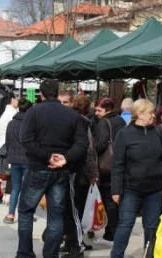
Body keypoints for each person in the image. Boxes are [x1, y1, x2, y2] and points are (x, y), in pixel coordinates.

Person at [17, 79, 88, 258]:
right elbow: (82, 143)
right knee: (56, 215)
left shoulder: (33, 111)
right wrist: (65, 157)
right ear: (57, 93)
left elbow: (25, 140)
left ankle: (25, 252)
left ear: (40, 94)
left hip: (38, 167)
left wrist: (47, 156)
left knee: (26, 211)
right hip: (61, 170)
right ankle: (51, 254)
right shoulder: (72, 115)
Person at [110, 99, 162, 258]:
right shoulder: (124, 134)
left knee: (151, 227)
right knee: (125, 224)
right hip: (131, 189)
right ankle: (116, 255)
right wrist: (116, 190)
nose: (153, 115)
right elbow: (118, 164)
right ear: (140, 114)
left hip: (155, 189)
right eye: (150, 112)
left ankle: (148, 255)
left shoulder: (158, 132)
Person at [61, 94, 99, 257]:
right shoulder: (74, 120)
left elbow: (89, 151)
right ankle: (71, 242)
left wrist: (92, 174)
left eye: (66, 102)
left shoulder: (81, 122)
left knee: (75, 210)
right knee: (70, 210)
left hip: (79, 174)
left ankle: (77, 245)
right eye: (61, 102)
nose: (63, 105)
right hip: (72, 172)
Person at [93, 97, 126, 246]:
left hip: (106, 166)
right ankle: (115, 230)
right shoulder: (121, 120)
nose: (96, 113)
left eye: (99, 110)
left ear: (107, 109)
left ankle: (111, 233)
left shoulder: (102, 123)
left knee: (108, 199)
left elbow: (99, 145)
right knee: (116, 197)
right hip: (120, 163)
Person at [3, 99, 32, 224]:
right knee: (26, 188)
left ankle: (10, 214)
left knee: (15, 187)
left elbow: (8, 142)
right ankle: (24, 213)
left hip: (14, 159)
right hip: (27, 159)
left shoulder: (11, 123)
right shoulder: (30, 124)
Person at [0, 92, 18, 203]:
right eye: (16, 98)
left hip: (3, 144)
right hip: (10, 145)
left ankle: (6, 194)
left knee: (7, 172)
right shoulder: (12, 113)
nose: (18, 100)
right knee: (12, 172)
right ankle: (8, 195)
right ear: (12, 100)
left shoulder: (3, 112)